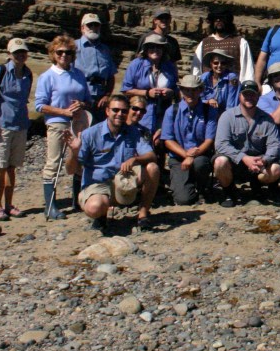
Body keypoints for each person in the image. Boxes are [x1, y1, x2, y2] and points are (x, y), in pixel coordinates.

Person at [65, 94, 160, 232]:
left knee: (152, 168)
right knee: (94, 208)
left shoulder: (133, 132)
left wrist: (135, 159)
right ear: (107, 111)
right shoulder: (90, 134)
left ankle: (143, 214)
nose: (120, 114)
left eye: (124, 111)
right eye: (115, 110)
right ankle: (101, 213)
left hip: (123, 179)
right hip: (99, 183)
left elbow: (151, 155)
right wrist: (74, 152)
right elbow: (70, 170)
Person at [34, 35, 91, 219]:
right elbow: (40, 105)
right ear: (53, 54)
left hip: (79, 121)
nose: (64, 55)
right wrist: (63, 112)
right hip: (57, 123)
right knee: (54, 162)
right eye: (60, 52)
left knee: (80, 158)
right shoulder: (47, 77)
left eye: (68, 52)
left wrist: (81, 104)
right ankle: (50, 206)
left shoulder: (79, 74)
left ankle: (78, 200)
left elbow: (88, 99)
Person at [0, 39, 33, 221]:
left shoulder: (28, 74)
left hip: (20, 125)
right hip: (2, 125)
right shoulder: (0, 71)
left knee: (12, 167)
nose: (20, 55)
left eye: (23, 52)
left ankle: (9, 205)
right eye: (17, 52)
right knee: (0, 166)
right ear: (10, 54)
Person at [212, 80, 280, 206]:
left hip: (259, 163)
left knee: (276, 169)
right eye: (246, 94)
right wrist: (243, 158)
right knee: (220, 162)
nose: (249, 97)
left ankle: (257, 187)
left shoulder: (267, 119)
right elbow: (221, 144)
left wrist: (264, 160)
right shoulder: (227, 116)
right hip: (234, 162)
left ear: (258, 96)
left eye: (253, 94)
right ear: (240, 96)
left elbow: (275, 145)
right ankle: (229, 192)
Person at [161, 75, 219, 205]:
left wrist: (192, 156)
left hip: (200, 155)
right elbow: (168, 140)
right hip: (179, 157)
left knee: (200, 164)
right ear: (181, 90)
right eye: (186, 90)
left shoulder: (208, 111)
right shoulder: (172, 111)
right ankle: (186, 184)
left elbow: (209, 140)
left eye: (194, 90)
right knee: (183, 199)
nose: (190, 93)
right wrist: (186, 155)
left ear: (200, 90)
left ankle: (202, 188)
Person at [122, 34, 179, 145]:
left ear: (163, 49)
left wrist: (171, 92)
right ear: (146, 49)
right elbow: (126, 90)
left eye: (159, 47)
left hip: (162, 113)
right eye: (152, 47)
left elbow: (177, 89)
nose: (155, 50)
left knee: (158, 144)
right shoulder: (136, 64)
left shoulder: (170, 67)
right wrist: (147, 93)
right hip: (140, 113)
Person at [74, 13, 117, 122]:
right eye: (90, 25)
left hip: (100, 100)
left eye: (96, 25)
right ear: (82, 28)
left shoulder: (105, 50)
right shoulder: (73, 47)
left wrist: (107, 95)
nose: (93, 28)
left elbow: (111, 76)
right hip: (80, 98)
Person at [191, 7, 253, 80]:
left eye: (222, 19)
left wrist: (247, 85)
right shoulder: (204, 43)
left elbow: (248, 69)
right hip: (207, 86)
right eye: (216, 19)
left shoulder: (240, 42)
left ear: (227, 21)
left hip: (233, 86)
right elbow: (196, 70)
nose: (218, 21)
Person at [200, 49, 240, 114]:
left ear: (226, 65)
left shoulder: (232, 78)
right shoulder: (204, 78)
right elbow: (198, 99)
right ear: (211, 63)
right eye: (216, 63)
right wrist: (208, 101)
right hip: (205, 113)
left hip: (224, 114)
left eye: (223, 63)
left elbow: (231, 104)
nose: (219, 65)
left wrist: (225, 117)